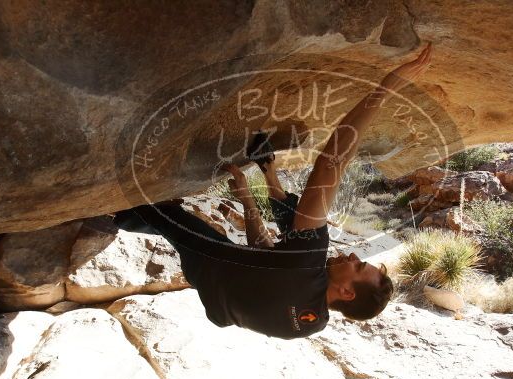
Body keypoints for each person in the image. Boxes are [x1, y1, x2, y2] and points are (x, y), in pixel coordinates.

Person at [118, 43, 433, 339]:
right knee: (299, 237)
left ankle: (111, 214)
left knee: (161, 213)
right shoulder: (313, 324)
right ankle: (269, 174)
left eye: (359, 266)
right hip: (223, 301)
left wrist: (387, 87)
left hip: (212, 261)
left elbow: (329, 165)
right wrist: (246, 199)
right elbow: (265, 257)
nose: (352, 255)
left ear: (347, 292)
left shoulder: (307, 266)